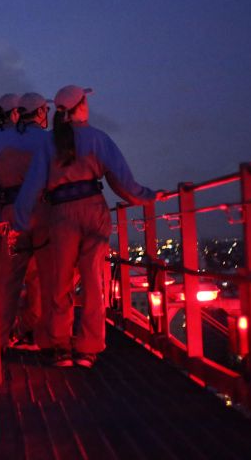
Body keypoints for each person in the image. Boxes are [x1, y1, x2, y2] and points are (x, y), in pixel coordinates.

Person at [14, 85, 159, 369]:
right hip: (93, 209)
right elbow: (122, 182)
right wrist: (149, 196)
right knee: (93, 282)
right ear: (82, 105)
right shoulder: (98, 139)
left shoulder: (49, 143)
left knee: (60, 281)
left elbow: (32, 186)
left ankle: (60, 346)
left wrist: (20, 221)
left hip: (61, 214)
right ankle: (88, 348)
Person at [0, 92, 50, 351]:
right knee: (41, 277)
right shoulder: (43, 137)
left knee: (7, 281)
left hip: (7, 213)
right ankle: (32, 331)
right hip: (42, 211)